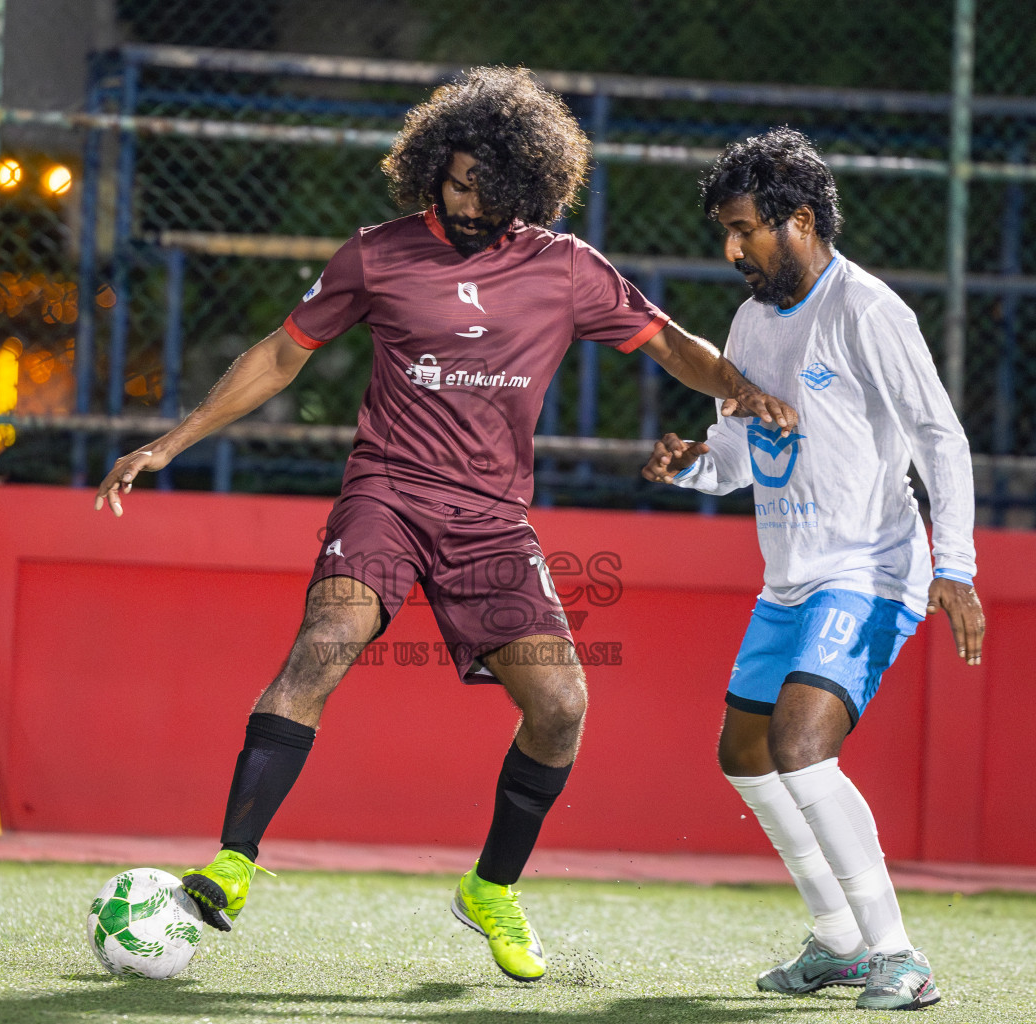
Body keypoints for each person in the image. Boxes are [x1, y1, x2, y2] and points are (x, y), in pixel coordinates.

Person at [93, 67, 797, 982]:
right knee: (327, 640)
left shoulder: (566, 269)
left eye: (488, 187)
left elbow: (667, 344)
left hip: (492, 522)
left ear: (528, 188)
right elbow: (279, 354)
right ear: (430, 167)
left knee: (562, 707)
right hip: (388, 490)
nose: (467, 200)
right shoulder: (376, 255)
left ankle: (491, 889)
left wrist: (740, 387)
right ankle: (231, 865)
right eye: (456, 179)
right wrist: (171, 441)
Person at [643, 127, 984, 1011]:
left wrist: (956, 563)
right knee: (745, 756)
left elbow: (939, 436)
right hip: (789, 577)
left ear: (799, 221)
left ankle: (899, 957)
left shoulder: (867, 310)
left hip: (871, 568)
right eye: (725, 230)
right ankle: (836, 938)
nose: (732, 250)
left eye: (744, 229)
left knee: (800, 744)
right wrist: (693, 466)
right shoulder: (750, 322)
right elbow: (739, 452)